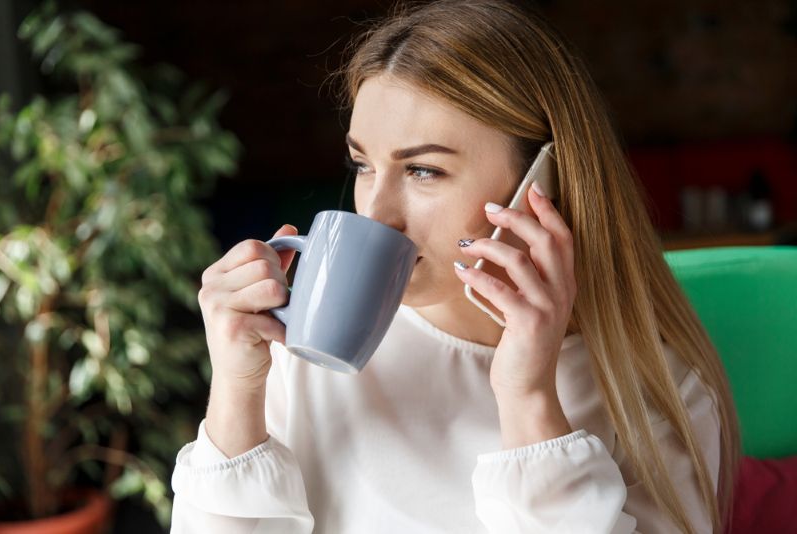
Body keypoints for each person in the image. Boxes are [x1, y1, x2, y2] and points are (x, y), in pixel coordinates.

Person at [170, 1, 740, 532]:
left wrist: (528, 396)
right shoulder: (309, 347)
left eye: (423, 171)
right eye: (363, 164)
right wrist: (236, 392)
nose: (376, 213)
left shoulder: (658, 390)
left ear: (540, 184)